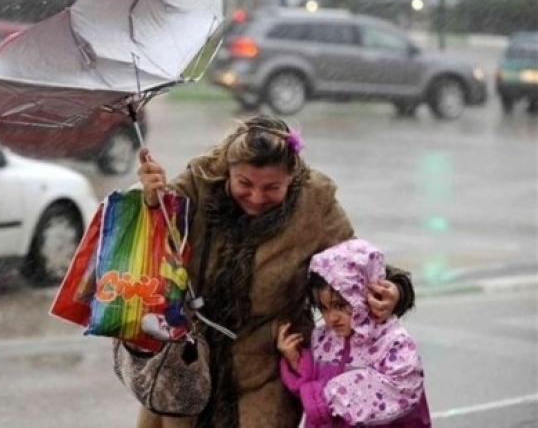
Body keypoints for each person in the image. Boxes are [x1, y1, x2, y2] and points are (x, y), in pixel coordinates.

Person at [134, 114, 415, 428]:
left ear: (291, 178)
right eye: (244, 184)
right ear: (227, 169)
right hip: (186, 362)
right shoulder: (199, 183)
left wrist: (394, 290)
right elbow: (149, 243)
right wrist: (151, 199)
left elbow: (357, 265)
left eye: (272, 188)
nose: (256, 198)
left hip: (271, 364)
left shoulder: (314, 202)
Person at [276, 238, 430, 427]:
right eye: (323, 308)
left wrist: (329, 397)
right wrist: (296, 361)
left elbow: (402, 389)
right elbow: (312, 392)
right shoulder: (323, 339)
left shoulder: (392, 342)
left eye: (341, 305)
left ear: (366, 295)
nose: (332, 317)